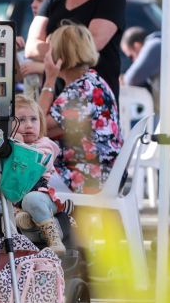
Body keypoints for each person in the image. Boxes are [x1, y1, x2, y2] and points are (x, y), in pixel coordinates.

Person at [25, 0, 130, 106]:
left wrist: (51, 46)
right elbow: (31, 48)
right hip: (54, 100)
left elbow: (91, 46)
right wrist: (70, 48)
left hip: (93, 105)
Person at [38, 21, 123, 194]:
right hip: (103, 173)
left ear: (59, 55)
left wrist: (49, 79)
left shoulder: (79, 91)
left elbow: (38, 128)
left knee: (21, 177)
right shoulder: (92, 81)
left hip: (89, 177)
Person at [0, 95, 65, 254]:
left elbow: (32, 167)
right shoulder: (2, 147)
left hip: (40, 195)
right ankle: (20, 216)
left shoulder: (45, 145)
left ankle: (54, 237)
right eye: (21, 120)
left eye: (34, 119)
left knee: (31, 199)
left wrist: (18, 145)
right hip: (11, 201)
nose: (29, 125)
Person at [17, 0, 67, 99]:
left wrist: (41, 68)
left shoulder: (67, 33)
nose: (33, 5)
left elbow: (79, 71)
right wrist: (15, 53)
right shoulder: (36, 33)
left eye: (40, 0)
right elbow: (21, 77)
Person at [121, 26, 170, 101]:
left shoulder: (154, 46)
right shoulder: (159, 44)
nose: (132, 61)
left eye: (131, 56)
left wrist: (122, 80)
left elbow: (130, 80)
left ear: (137, 46)